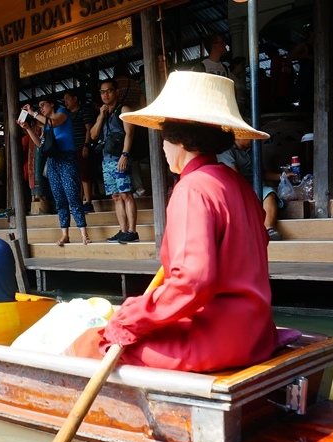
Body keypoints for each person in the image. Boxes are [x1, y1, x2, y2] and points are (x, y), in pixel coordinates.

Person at [67, 72, 279, 373]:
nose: (163, 148)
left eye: (164, 138)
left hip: (214, 340)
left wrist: (128, 316)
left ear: (177, 139)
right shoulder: (237, 183)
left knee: (90, 343)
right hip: (258, 334)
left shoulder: (192, 188)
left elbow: (192, 282)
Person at [21, 95, 90, 245]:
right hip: (53, 162)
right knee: (59, 199)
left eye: (43, 105)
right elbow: (41, 145)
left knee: (73, 196)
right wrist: (28, 129)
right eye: (39, 107)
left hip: (67, 159)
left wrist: (32, 113)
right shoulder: (46, 126)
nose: (41, 109)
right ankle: (65, 234)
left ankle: (84, 233)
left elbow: (54, 122)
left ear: (52, 104)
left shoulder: (62, 113)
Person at [91, 79, 137, 242]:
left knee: (126, 194)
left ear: (116, 91)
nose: (105, 94)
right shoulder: (103, 114)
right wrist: (101, 117)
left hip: (120, 158)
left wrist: (125, 155)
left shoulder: (123, 109)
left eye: (109, 91)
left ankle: (132, 231)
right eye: (102, 92)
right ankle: (123, 230)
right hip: (107, 160)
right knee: (116, 196)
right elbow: (93, 135)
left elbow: (130, 133)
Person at [217, 137, 290, 241]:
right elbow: (234, 177)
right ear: (240, 136)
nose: (253, 140)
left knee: (269, 193)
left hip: (256, 184)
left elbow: (263, 174)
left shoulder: (253, 150)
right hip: (238, 186)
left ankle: (268, 229)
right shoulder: (227, 151)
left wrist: (283, 176)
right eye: (250, 137)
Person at [63, 88, 97, 212]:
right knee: (77, 176)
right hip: (72, 149)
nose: (65, 102)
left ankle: (88, 202)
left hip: (82, 147)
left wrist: (86, 145)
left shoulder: (84, 111)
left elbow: (89, 129)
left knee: (84, 175)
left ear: (75, 99)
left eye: (67, 99)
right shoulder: (66, 115)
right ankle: (80, 202)